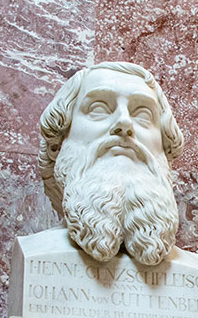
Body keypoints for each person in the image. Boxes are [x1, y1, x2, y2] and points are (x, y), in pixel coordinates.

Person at [37, 62, 184, 265]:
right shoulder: (36, 256)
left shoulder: (195, 271)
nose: (124, 123)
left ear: (164, 146)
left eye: (142, 114)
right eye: (99, 108)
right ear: (60, 142)